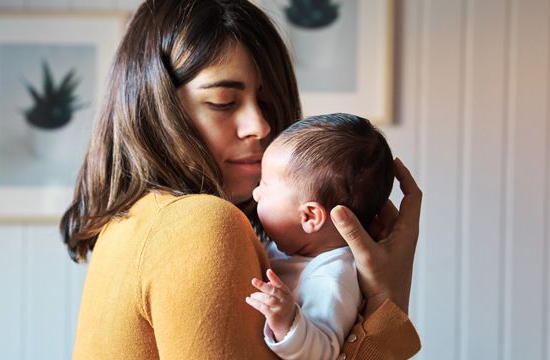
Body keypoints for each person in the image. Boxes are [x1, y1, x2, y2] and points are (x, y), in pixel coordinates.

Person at [60, 0, 423, 358]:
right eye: (223, 101)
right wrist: (386, 303)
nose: (260, 126)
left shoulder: (132, 222)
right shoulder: (199, 223)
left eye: (267, 103)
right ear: (155, 108)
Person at [246, 113, 396, 359]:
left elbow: (325, 352)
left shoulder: (331, 277)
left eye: (265, 186)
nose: (255, 193)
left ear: (310, 217)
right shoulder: (295, 249)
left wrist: (287, 321)